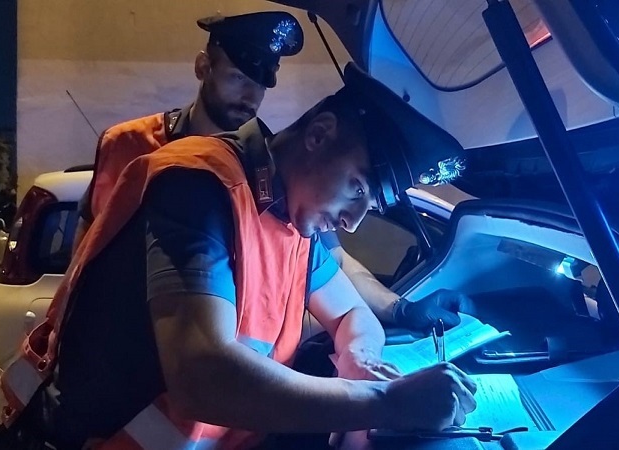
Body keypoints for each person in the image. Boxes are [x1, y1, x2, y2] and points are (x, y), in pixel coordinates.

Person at [0, 62, 475, 449]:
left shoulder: (290, 219)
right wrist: (386, 401)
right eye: (357, 189)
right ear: (319, 134)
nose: (353, 221)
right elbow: (202, 376)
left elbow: (353, 313)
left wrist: (359, 358)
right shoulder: (198, 189)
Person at [74, 11, 471, 335]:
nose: (249, 98)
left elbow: (331, 260)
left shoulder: (274, 177)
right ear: (203, 67)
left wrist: (399, 309)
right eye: (238, 78)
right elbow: (89, 239)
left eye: (260, 87)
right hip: (124, 346)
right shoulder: (129, 143)